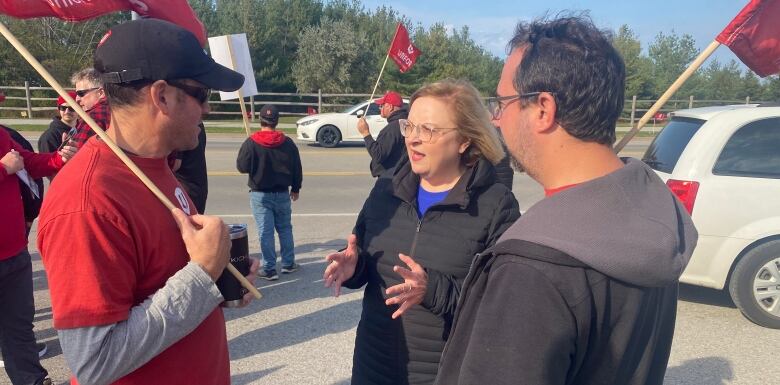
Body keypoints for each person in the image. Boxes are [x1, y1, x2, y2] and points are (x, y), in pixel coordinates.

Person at [435, 15, 698, 385]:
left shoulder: (532, 268)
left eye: (503, 102)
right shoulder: (655, 211)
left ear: (543, 109)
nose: (496, 120)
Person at [37, 19, 258, 385]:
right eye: (201, 94)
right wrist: (201, 275)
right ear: (162, 96)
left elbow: (163, 283)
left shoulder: (154, 165)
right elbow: (94, 362)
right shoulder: (87, 201)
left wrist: (218, 279)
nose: (207, 110)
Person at [323, 79, 520, 384]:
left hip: (442, 373)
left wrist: (433, 290)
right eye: (410, 127)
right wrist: (354, 267)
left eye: (427, 130)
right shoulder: (385, 189)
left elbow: (498, 305)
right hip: (374, 366)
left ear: (464, 140)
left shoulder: (496, 206)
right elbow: (366, 261)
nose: (412, 139)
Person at [1, 122, 77, 385]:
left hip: (14, 252)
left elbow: (27, 162)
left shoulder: (1, 134)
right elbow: (12, 164)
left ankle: (32, 380)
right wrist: (3, 169)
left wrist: (58, 158)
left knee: (19, 328)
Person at [237, 104, 302, 281]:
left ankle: (270, 268)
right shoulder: (287, 143)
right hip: (282, 193)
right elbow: (297, 167)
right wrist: (296, 188)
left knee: (265, 232)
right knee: (285, 229)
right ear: (277, 121)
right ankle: (288, 263)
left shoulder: (252, 142)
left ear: (260, 120)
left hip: (260, 194)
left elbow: (241, 167)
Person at [357, 90, 408, 177]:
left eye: (382, 105)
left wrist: (365, 133)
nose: (380, 108)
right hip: (399, 173)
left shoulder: (392, 128)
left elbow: (378, 154)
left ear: (390, 107)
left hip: (389, 176)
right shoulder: (404, 122)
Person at [173, 122, 209, 214]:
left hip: (184, 189)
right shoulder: (198, 126)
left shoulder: (183, 129)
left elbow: (175, 164)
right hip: (198, 186)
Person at [70, 67, 110, 148]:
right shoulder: (119, 109)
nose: (77, 99)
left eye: (81, 93)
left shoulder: (93, 117)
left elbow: (78, 155)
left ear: (101, 93)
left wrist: (68, 148)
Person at [38, 91, 78, 156]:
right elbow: (47, 164)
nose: (67, 111)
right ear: (59, 109)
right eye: (63, 108)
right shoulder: (49, 137)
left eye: (72, 108)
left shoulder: (83, 130)